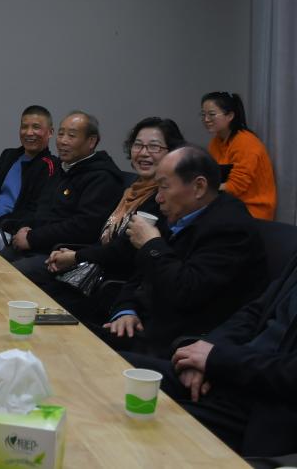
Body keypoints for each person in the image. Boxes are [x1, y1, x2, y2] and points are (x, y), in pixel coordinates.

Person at [124, 252, 297, 459]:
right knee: (113, 369)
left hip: (265, 408)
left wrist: (216, 360)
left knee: (137, 433)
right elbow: (254, 312)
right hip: (230, 372)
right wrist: (205, 352)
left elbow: (290, 374)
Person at [103, 145, 267, 357]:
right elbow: (140, 275)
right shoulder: (178, 213)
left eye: (164, 187)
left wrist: (151, 244)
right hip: (141, 327)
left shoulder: (230, 229)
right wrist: (126, 309)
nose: (158, 198)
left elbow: (186, 292)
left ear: (199, 187)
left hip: (180, 345)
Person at [23, 117, 185, 326]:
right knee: (22, 296)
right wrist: (72, 253)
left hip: (111, 287)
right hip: (92, 273)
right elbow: (103, 238)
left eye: (154, 147)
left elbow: (124, 251)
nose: (144, 153)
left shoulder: (162, 199)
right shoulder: (131, 190)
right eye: (138, 145)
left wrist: (75, 256)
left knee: (33, 309)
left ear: (172, 153)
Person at [0, 111, 123, 262]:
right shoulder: (60, 169)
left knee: (8, 272)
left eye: (71, 135)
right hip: (36, 244)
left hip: (61, 254)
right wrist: (24, 227)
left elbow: (83, 227)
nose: (63, 141)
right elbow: (39, 208)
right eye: (61, 134)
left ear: (91, 141)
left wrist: (32, 238)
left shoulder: (102, 177)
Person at [0, 105, 57, 242]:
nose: (29, 132)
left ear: (50, 132)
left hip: (7, 230)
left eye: (36, 127)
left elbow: (32, 213)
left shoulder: (50, 166)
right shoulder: (9, 156)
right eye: (24, 127)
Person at [201, 91, 277, 220]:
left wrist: (204, 189)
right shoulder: (215, 142)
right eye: (203, 115)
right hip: (229, 204)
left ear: (230, 116)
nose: (206, 119)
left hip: (253, 210)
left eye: (212, 114)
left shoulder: (246, 142)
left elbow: (235, 187)